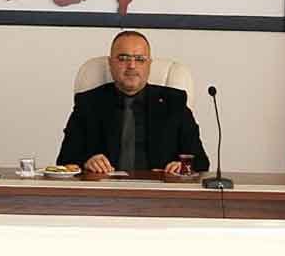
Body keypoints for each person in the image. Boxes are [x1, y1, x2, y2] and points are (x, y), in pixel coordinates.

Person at [58, 31, 209, 174]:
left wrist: (183, 166)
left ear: (149, 64)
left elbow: (201, 162)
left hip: (159, 189)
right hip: (105, 188)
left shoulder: (174, 102)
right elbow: (65, 161)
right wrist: (87, 162)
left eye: (140, 59)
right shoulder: (88, 103)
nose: (131, 65)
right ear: (110, 63)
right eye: (123, 58)